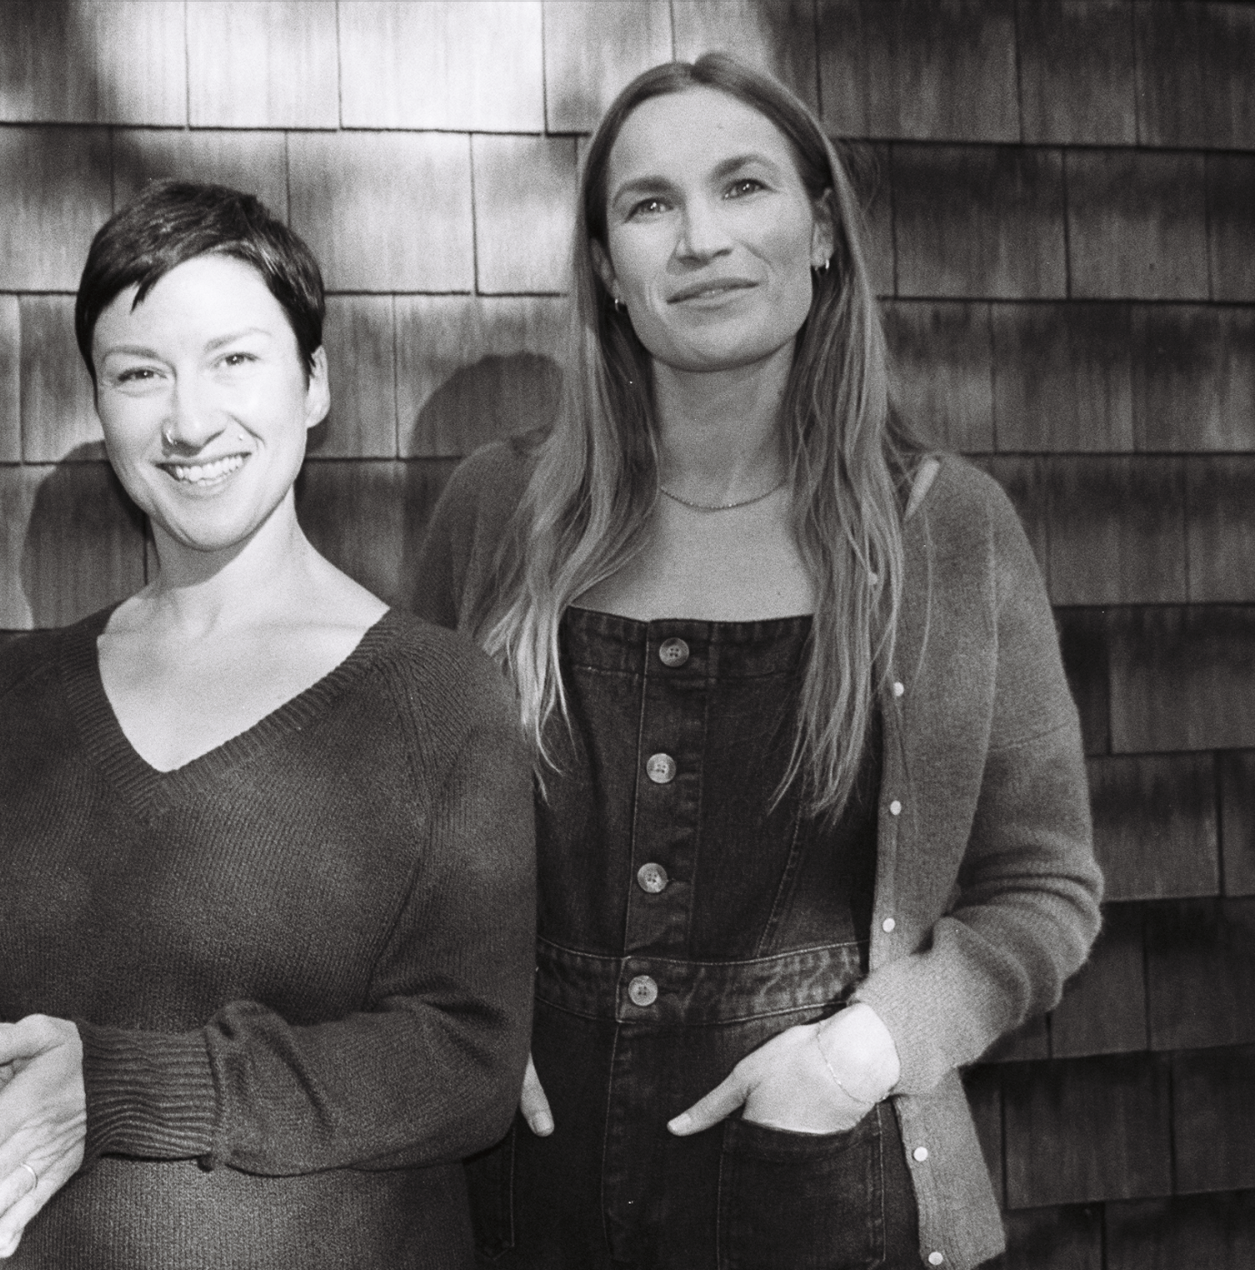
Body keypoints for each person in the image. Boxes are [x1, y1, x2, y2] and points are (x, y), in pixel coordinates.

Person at [413, 53, 1101, 1270]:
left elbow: (1041, 887)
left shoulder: (943, 529)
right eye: (648, 205)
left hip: (827, 1179)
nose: (698, 240)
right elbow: (398, 834)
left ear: (820, 231)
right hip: (524, 1185)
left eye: (742, 188)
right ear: (607, 276)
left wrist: (858, 1056)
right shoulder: (499, 512)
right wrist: (458, 1013)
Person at [0, 181, 536, 1269]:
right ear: (100, 403)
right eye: (138, 374)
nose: (186, 420)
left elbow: (464, 1061)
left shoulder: (437, 697)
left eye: (233, 360)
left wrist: (109, 1088)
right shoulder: (10, 702)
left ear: (312, 383)